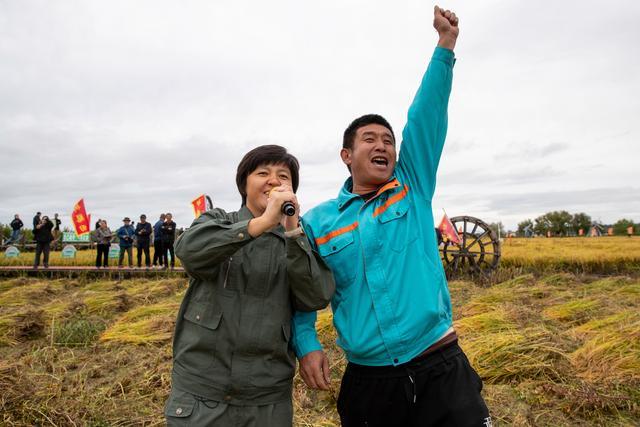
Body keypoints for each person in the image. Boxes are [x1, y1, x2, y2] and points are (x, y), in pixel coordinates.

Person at [293, 7, 491, 426]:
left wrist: (445, 46)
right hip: (369, 380)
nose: (382, 145)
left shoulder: (411, 185)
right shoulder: (318, 222)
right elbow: (302, 288)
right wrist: (307, 341)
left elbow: (425, 118)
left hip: (440, 364)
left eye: (388, 140)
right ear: (347, 156)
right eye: (370, 139)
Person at [166, 145, 335, 426]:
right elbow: (190, 251)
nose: (274, 181)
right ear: (244, 183)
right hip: (202, 396)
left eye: (284, 176)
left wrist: (292, 231)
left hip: (267, 399)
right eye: (262, 173)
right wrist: (262, 223)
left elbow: (316, 296)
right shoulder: (218, 221)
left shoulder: (300, 238)